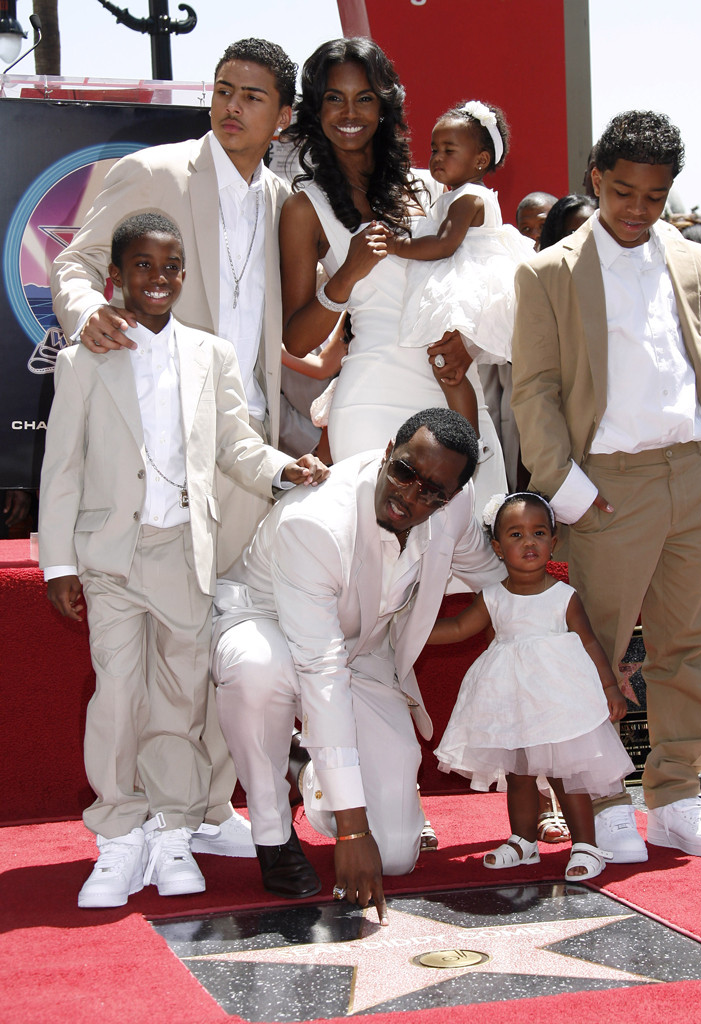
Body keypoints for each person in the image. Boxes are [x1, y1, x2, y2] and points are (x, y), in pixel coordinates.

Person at [50, 37, 298, 859]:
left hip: (244, 444)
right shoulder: (153, 171)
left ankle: (209, 805)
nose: (232, 106)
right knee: (158, 649)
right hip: (163, 441)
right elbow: (77, 261)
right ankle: (153, 816)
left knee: (221, 636)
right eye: (223, 89)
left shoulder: (280, 199)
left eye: (252, 96)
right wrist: (87, 311)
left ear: (282, 116)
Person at [38, 214, 327, 909]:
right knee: (117, 694)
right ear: (116, 275)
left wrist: (285, 470)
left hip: (185, 555)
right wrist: (57, 565)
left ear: (184, 275)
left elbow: (235, 444)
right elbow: (62, 468)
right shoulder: (82, 360)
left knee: (177, 699)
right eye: (142, 265)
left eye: (170, 266)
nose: (158, 278)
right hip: (110, 556)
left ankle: (172, 830)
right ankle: (117, 832)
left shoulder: (211, 354)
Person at [511, 110, 701, 863]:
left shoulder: (696, 262)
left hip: (693, 474)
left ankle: (677, 794)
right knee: (598, 651)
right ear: (596, 179)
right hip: (606, 486)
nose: (637, 209)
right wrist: (567, 487)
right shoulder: (549, 272)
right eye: (623, 192)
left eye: (654, 196)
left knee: (686, 648)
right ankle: (604, 800)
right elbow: (535, 389)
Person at [211, 408, 505, 921]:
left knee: (395, 855)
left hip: (362, 650)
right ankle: (273, 833)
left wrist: (557, 643)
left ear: (452, 497)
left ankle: (307, 766)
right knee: (258, 668)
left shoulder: (455, 507)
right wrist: (350, 831)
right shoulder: (316, 520)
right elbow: (320, 670)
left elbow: (494, 578)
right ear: (389, 451)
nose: (410, 496)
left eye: (432, 493)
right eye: (405, 472)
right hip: (264, 624)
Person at [278, 38, 507, 513]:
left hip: (455, 391)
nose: (350, 112)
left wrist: (470, 344)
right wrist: (345, 277)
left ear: (385, 106)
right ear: (316, 108)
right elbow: (296, 341)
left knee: (473, 540)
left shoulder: (435, 187)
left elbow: (495, 273)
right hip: (372, 401)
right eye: (334, 98)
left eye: (364, 97)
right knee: (380, 547)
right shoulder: (304, 208)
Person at [430, 492, 633, 881]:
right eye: (516, 535)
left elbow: (590, 643)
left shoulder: (564, 596)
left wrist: (609, 687)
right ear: (497, 548)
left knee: (567, 774)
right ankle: (523, 841)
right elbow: (458, 628)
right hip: (512, 702)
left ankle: (585, 845)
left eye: (539, 533)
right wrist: (411, 631)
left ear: (553, 542)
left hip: (558, 703)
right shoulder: (492, 597)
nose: (529, 542)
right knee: (519, 775)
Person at [386, 100, 528, 439]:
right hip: (462, 283)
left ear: (481, 160)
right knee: (447, 367)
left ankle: (468, 441)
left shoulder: (469, 197)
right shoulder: (457, 196)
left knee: (448, 366)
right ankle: (466, 439)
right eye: (434, 149)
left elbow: (444, 244)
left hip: (468, 287)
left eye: (449, 151)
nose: (437, 157)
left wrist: (397, 245)